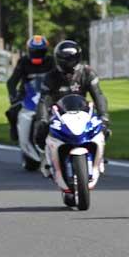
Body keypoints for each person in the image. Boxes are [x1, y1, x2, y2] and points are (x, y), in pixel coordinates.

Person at [34, 40, 110, 170]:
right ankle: (45, 158)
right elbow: (43, 100)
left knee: (103, 129)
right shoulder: (51, 76)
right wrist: (42, 119)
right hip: (58, 113)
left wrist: (104, 115)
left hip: (82, 112)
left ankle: (98, 156)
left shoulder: (87, 73)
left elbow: (98, 95)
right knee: (40, 131)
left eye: (69, 59)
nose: (67, 63)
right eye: (63, 59)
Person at [5, 35, 54, 141]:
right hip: (27, 94)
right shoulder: (23, 62)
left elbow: (59, 78)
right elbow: (11, 82)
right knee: (12, 112)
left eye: (40, 51)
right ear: (29, 50)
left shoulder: (52, 61)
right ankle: (14, 130)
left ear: (45, 51)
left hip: (48, 94)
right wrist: (13, 97)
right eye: (34, 51)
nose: (37, 54)